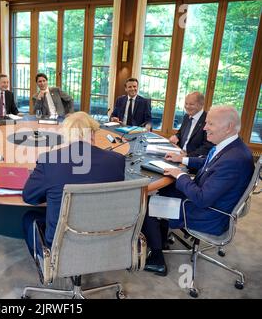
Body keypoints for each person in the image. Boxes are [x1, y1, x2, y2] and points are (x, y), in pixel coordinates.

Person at [142, 106, 254, 276]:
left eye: (210, 123)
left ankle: (157, 260)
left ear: (229, 127)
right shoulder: (232, 147)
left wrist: (180, 175)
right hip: (210, 201)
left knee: (147, 204)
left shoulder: (234, 160)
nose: (204, 127)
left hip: (209, 214)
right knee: (166, 189)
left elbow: (201, 199)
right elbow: (209, 165)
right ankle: (161, 239)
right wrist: (183, 159)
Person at [22, 111, 125, 257]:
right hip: (105, 238)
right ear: (93, 134)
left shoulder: (49, 160)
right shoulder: (117, 160)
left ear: (67, 136)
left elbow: (29, 197)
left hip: (62, 245)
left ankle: (47, 264)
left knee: (29, 218)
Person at [168, 92, 213, 157]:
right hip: (179, 152)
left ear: (201, 104)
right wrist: (176, 136)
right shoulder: (186, 116)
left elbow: (207, 146)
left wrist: (187, 156)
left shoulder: (208, 120)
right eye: (186, 103)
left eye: (191, 104)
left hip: (192, 159)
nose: (187, 107)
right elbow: (180, 133)